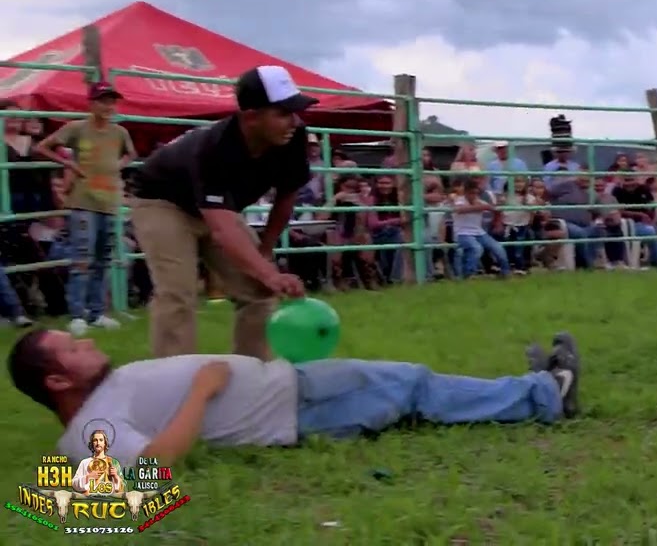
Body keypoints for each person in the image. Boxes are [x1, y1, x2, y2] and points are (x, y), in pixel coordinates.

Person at [9, 328, 581, 467]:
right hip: (291, 407)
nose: (86, 344)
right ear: (57, 381)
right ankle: (542, 394)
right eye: (72, 350)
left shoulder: (106, 393)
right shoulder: (86, 432)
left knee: (409, 387)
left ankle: (518, 391)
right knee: (412, 383)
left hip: (287, 386)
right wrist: (203, 391)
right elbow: (154, 465)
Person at [129, 66, 314, 360]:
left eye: (296, 111)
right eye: (283, 113)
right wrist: (268, 272)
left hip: (216, 212)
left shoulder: (294, 137)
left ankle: (253, 373)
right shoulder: (214, 149)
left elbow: (286, 196)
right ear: (251, 116)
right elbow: (223, 229)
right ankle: (174, 380)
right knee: (178, 292)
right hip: (162, 203)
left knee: (259, 291)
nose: (294, 121)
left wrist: (265, 252)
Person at [33, 82, 138, 335]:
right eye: (103, 101)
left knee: (102, 258)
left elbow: (131, 153)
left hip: (109, 201)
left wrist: (119, 165)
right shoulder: (77, 128)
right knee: (82, 257)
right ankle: (77, 314)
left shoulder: (119, 132)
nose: (108, 106)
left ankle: (96, 312)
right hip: (83, 201)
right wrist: (69, 164)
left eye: (112, 101)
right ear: (91, 103)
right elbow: (42, 146)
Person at [70, 427, 125, 496]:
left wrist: (116, 477)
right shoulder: (85, 462)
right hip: (90, 501)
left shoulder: (113, 462)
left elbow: (123, 489)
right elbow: (74, 484)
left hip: (108, 501)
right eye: (95, 440)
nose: (98, 443)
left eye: (101, 440)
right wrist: (88, 477)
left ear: (105, 443)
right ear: (92, 443)